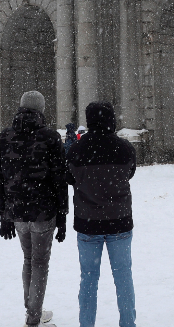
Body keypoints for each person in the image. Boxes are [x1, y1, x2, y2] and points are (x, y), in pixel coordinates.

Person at [0, 91, 68, 327]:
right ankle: (34, 317)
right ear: (41, 110)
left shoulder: (5, 136)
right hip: (43, 210)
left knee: (28, 259)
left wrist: (4, 213)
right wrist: (63, 215)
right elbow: (59, 178)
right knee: (40, 262)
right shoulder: (50, 137)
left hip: (17, 211)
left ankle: (32, 310)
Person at [66, 102, 137, 327]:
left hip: (88, 223)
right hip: (119, 222)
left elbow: (70, 178)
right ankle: (128, 324)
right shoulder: (125, 148)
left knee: (88, 280)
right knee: (123, 278)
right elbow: (130, 173)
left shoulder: (77, 149)